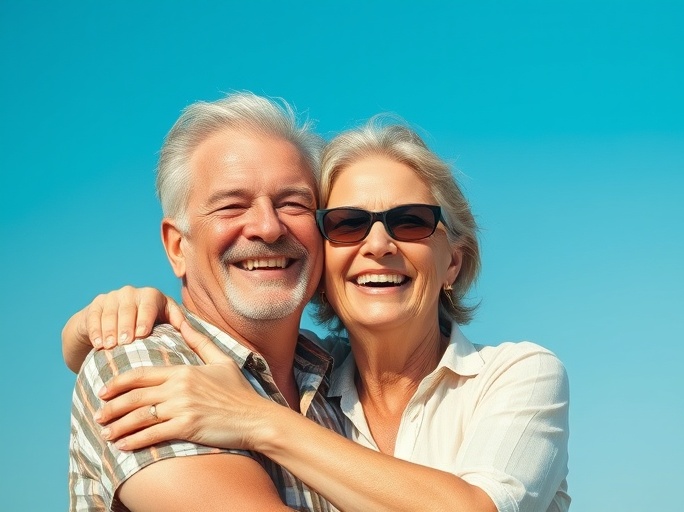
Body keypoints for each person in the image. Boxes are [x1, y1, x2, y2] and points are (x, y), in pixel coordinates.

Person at [64, 117, 572, 511]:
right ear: (177, 247)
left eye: (411, 222)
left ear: (453, 263)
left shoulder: (315, 380)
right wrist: (92, 326)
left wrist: (257, 420)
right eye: (348, 224)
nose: (378, 245)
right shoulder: (150, 365)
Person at [65, 92, 345, 511]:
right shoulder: (143, 364)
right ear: (177, 247)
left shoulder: (339, 377)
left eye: (293, 203)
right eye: (232, 206)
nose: (268, 227)